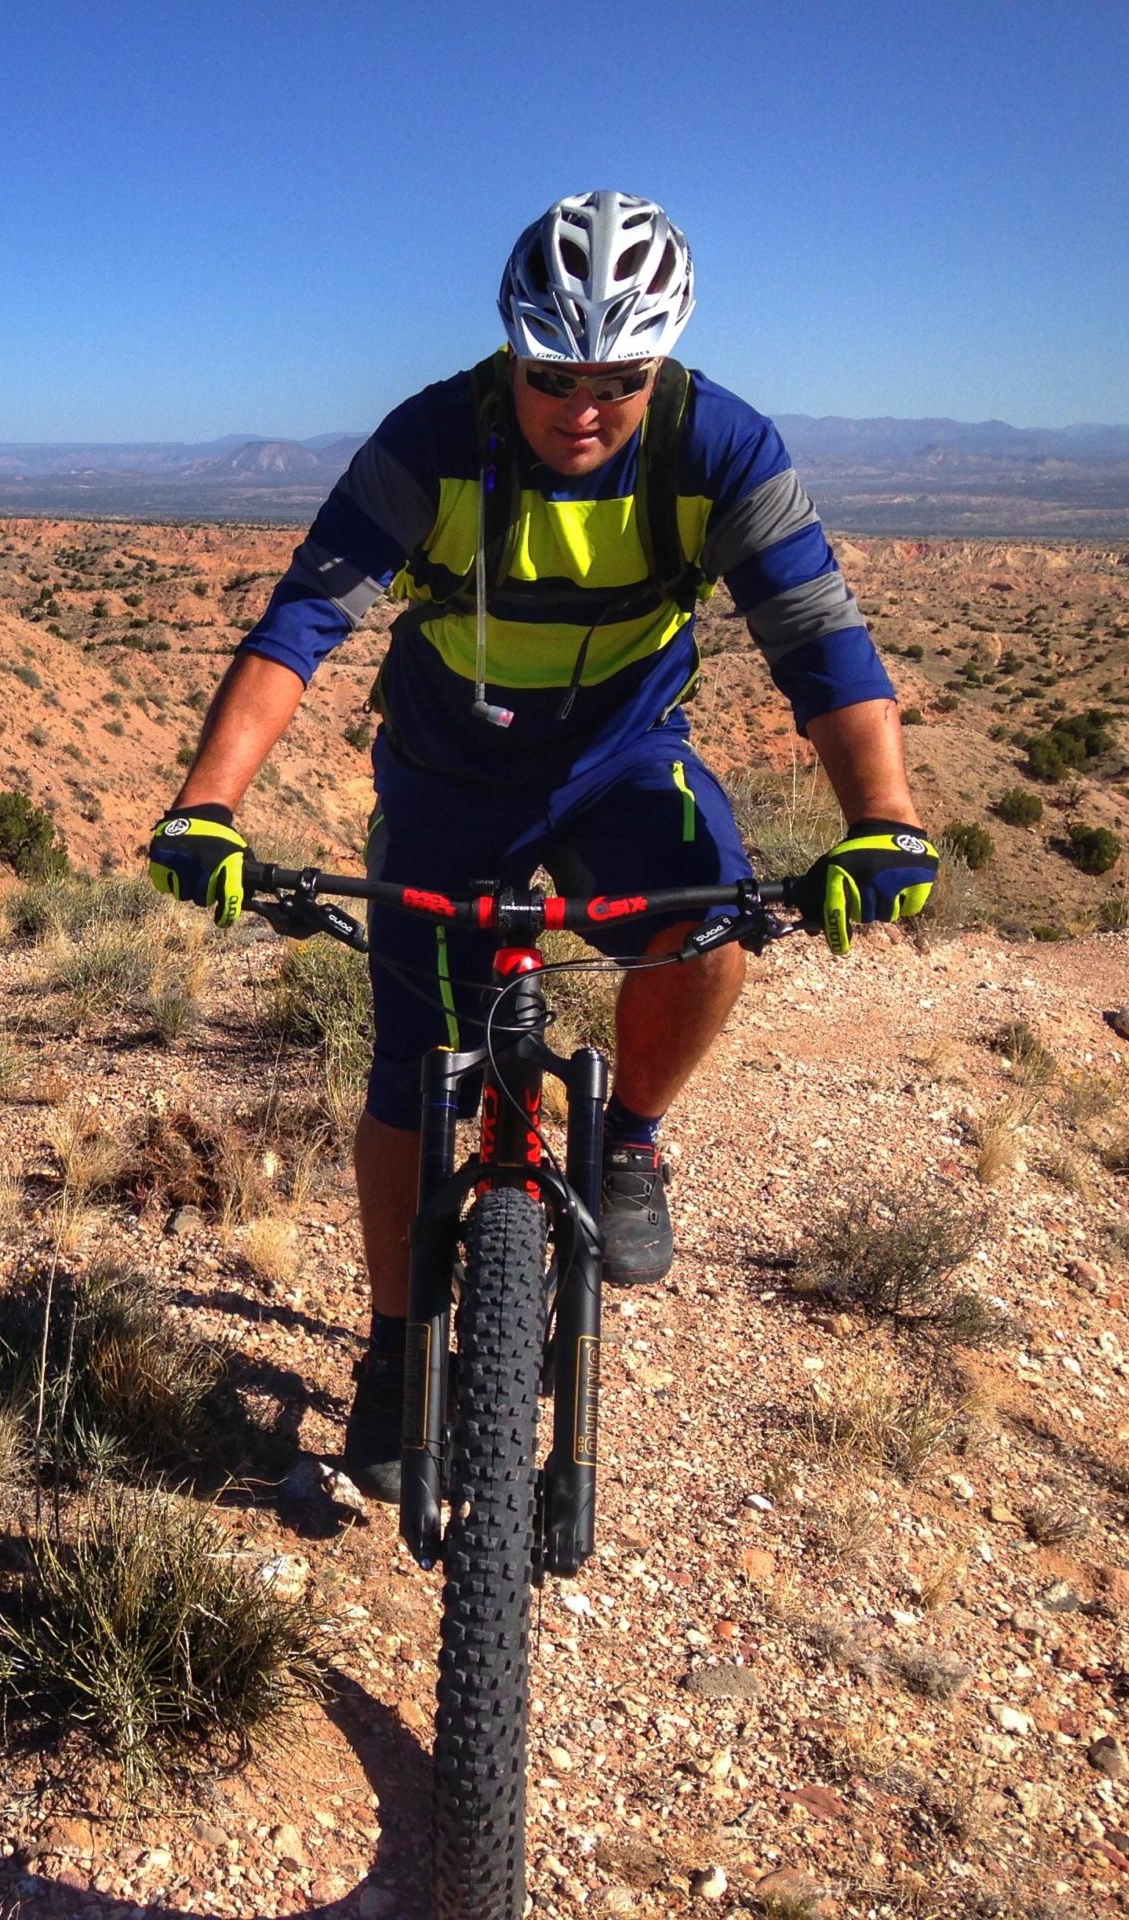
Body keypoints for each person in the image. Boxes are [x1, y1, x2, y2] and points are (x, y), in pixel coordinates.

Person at [146, 190, 938, 1500]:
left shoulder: (716, 446)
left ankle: (630, 1136)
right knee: (410, 1069)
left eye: (619, 379)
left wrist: (885, 824)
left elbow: (823, 644)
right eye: (553, 373)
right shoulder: (433, 441)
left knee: (707, 922)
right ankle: (399, 1348)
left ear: (661, 361)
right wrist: (207, 804)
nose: (584, 406)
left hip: (624, 759)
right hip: (450, 770)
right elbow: (298, 627)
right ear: (512, 350)